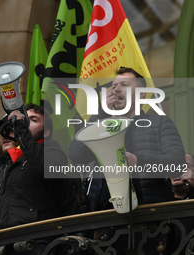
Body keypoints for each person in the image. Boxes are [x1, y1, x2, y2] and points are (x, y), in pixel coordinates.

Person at [0, 103, 80, 248]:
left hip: (36, 244)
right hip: (4, 244)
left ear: (46, 132)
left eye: (33, 120)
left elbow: (42, 167)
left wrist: (21, 127)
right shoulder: (9, 164)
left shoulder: (55, 153)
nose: (26, 123)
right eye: (24, 119)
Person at [69, 67, 186, 212]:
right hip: (104, 218)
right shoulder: (102, 126)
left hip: (148, 217)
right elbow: (76, 154)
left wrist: (139, 161)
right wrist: (101, 113)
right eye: (113, 86)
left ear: (141, 94)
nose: (116, 90)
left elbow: (177, 165)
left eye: (124, 85)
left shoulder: (160, 123)